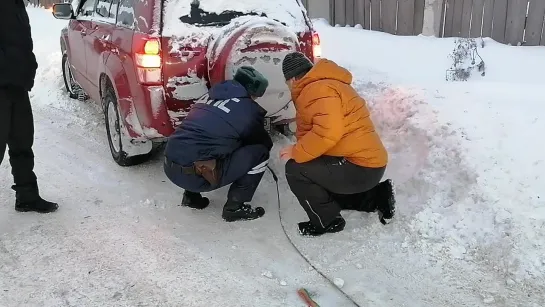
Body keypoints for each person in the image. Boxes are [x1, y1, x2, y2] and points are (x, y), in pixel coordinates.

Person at [279, 52, 395, 236]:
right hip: (367, 164)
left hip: (360, 167)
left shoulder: (317, 90)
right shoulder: (326, 84)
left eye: (286, 82)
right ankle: (377, 197)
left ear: (293, 79)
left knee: (296, 169)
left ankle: (327, 221)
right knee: (319, 180)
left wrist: (297, 151)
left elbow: (327, 132)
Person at [164, 66, 272, 222]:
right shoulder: (248, 109)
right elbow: (263, 143)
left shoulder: (210, 95)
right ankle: (234, 208)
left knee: (201, 144)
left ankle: (191, 197)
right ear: (253, 93)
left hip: (170, 165)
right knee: (260, 153)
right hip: (196, 177)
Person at [0, 0, 58, 213]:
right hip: (2, 83)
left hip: (16, 84)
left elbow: (20, 40)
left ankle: (27, 196)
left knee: (22, 142)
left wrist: (27, 67)